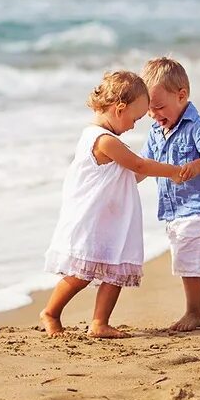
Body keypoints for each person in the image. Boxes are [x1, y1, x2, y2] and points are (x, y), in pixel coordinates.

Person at [41, 70, 183, 339]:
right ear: (119, 109)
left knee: (114, 271)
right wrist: (173, 170)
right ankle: (50, 312)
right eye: (135, 118)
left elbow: (132, 175)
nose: (133, 126)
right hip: (93, 219)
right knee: (81, 274)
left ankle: (99, 322)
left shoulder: (108, 140)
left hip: (111, 221)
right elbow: (139, 164)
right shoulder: (104, 140)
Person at [139, 57, 200, 332]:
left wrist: (194, 166)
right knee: (193, 262)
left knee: (189, 264)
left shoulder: (198, 127)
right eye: (149, 110)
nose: (154, 115)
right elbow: (144, 164)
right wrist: (126, 179)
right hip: (176, 211)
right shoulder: (156, 132)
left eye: (160, 107)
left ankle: (192, 312)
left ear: (182, 96)